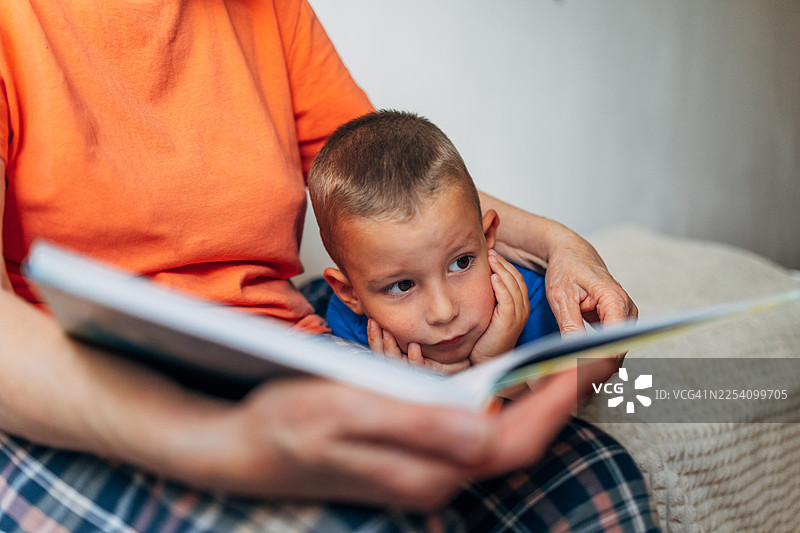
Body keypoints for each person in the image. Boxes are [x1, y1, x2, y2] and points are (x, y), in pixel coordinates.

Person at [0, 1, 655, 532]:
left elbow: (393, 194)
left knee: (593, 480)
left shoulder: (269, 10)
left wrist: (560, 246)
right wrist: (218, 441)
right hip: (83, 380)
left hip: (275, 347)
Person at [308, 110, 559, 376]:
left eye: (461, 263)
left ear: (487, 241)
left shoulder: (529, 298)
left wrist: (494, 366)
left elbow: (578, 394)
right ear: (350, 294)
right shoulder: (349, 325)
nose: (444, 312)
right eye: (402, 285)